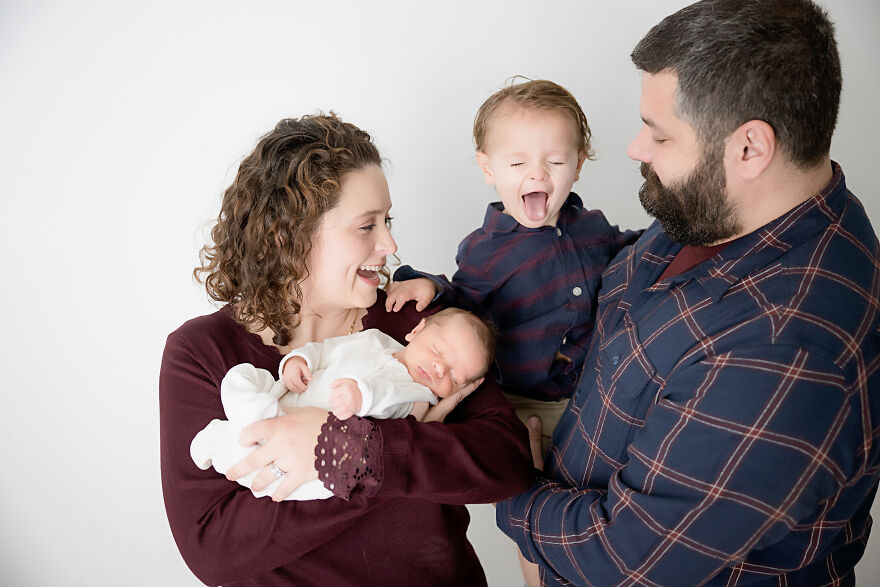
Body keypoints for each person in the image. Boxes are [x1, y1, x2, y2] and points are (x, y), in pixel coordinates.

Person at [496, 1, 880, 585]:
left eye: (659, 134)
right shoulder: (722, 208)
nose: (637, 148)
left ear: (750, 148)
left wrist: (505, 480)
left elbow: (627, 559)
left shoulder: (786, 349)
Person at [159, 113, 533, 586]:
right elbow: (214, 548)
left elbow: (508, 459)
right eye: (365, 226)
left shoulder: (411, 322)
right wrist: (392, 454)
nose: (390, 243)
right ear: (287, 237)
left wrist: (358, 451)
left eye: (387, 221)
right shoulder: (202, 353)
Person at [387, 79, 640, 454]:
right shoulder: (486, 250)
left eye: (555, 161)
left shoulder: (592, 228)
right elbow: (460, 304)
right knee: (527, 460)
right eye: (518, 163)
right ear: (488, 168)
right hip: (523, 398)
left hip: (594, 387)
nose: (537, 174)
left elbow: (636, 249)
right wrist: (428, 285)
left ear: (578, 164)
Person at [189, 308, 494, 501]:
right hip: (285, 398)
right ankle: (250, 421)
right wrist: (299, 361)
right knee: (241, 376)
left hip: (315, 455)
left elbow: (390, 405)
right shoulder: (374, 339)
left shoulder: (418, 397)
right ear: (417, 330)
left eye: (454, 376)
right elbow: (326, 350)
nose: (439, 368)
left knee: (316, 485)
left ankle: (226, 441)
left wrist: (362, 396)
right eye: (438, 350)